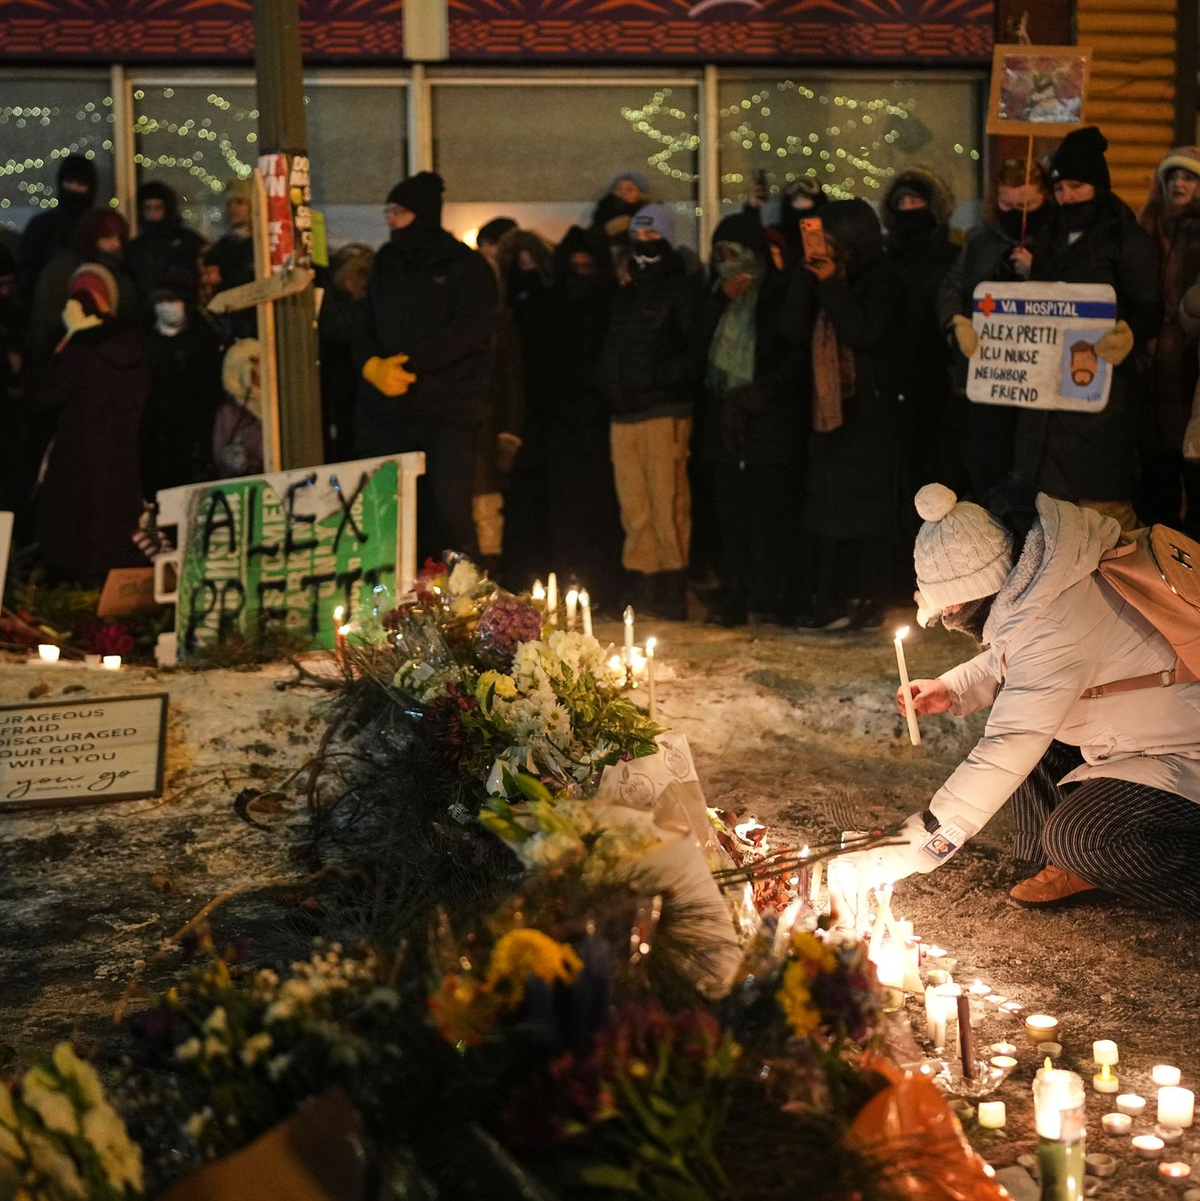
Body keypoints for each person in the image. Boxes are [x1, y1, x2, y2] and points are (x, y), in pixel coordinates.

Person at [854, 482, 1200, 915]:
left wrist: (917, 846)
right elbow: (1025, 658)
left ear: (978, 590)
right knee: (1035, 747)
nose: (948, 619)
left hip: (1186, 751)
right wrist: (954, 685)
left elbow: (1010, 739)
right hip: (1147, 723)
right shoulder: (1047, 576)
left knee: (1080, 835)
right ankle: (1069, 862)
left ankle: (1088, 858)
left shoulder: (1054, 625)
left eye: (949, 609)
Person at [954, 127, 1160, 531]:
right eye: (1060, 187)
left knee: (1099, 511)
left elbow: (1151, 311)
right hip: (1041, 403)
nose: (1067, 196)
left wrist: (1129, 335)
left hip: (1099, 398)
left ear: (1098, 185)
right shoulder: (1048, 237)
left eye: (1077, 186)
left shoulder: (1128, 242)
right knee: (1044, 511)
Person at [353, 171, 497, 559]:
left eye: (398, 211)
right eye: (388, 211)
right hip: (390, 409)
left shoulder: (464, 266)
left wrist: (413, 363)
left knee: (451, 511)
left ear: (422, 214)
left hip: (447, 409)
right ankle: (399, 599)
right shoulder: (386, 263)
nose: (390, 220)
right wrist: (370, 365)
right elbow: (364, 320)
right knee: (392, 512)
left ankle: (462, 600)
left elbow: (471, 329)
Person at [783, 198, 905, 631]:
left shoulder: (882, 277)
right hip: (825, 409)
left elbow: (863, 332)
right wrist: (806, 278)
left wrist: (832, 284)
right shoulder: (821, 273)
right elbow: (791, 329)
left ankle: (868, 597)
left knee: (867, 511)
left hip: (867, 408)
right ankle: (829, 597)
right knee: (828, 508)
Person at [697, 211, 804, 626]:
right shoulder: (713, 299)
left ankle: (774, 596)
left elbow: (794, 353)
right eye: (721, 255)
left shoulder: (779, 293)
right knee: (732, 517)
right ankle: (736, 595)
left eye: (736, 254)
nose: (729, 264)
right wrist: (718, 300)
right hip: (725, 426)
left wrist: (763, 391)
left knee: (774, 516)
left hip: (769, 422)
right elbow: (696, 349)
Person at [594, 204, 699, 619]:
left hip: (661, 410)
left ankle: (671, 587)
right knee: (634, 506)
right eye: (637, 236)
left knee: (667, 503)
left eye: (652, 236)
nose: (643, 244)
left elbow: (695, 351)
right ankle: (642, 582)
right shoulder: (625, 290)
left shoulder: (681, 288)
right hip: (623, 413)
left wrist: (658, 378)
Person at [938, 158, 1053, 499]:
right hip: (987, 375)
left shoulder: (1056, 240)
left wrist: (1039, 270)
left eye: (1028, 204)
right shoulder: (981, 241)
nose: (1018, 212)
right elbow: (951, 288)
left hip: (1038, 378)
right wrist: (956, 321)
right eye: (1008, 204)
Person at [33, 264, 150, 586]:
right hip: (123, 456)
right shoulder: (133, 346)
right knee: (116, 530)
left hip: (80, 457)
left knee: (79, 534)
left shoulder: (79, 352)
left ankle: (85, 601)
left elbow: (46, 396)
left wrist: (70, 336)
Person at [883, 167, 962, 497]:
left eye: (916, 200)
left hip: (942, 377)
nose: (908, 208)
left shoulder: (953, 255)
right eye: (901, 202)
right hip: (895, 379)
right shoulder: (885, 257)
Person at [1136, 147, 1200, 538]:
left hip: (1190, 369)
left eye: (1190, 177)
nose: (1179, 183)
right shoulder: (1146, 225)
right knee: (1155, 477)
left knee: (1194, 475)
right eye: (1173, 176)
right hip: (1148, 368)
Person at [142, 266, 223, 496]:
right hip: (156, 444)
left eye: (173, 299)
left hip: (191, 442)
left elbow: (208, 394)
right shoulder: (147, 343)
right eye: (162, 299)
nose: (166, 305)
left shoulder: (203, 340)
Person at [28, 209, 137, 371]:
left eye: (119, 238)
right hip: (68, 364)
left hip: (110, 368)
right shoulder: (60, 273)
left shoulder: (122, 278)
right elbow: (44, 324)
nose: (116, 245)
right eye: (108, 237)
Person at [15, 154, 98, 313]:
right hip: (49, 312)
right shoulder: (41, 227)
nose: (74, 189)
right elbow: (26, 277)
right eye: (69, 182)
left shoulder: (98, 226)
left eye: (81, 183)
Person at [318, 242, 374, 461]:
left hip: (347, 379)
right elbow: (337, 331)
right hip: (341, 378)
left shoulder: (334, 296)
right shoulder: (337, 303)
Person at [125, 181, 206, 324]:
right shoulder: (136, 248)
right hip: (146, 318)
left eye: (158, 207)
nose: (153, 213)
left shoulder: (187, 241)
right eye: (147, 208)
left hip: (184, 316)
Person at [210, 177, 256, 339]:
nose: (233, 208)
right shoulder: (220, 247)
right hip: (232, 322)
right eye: (230, 204)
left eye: (239, 202)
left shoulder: (262, 244)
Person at [212, 338, 263, 479]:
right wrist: (233, 459)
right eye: (253, 361)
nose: (258, 368)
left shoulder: (280, 402)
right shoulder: (229, 413)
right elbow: (220, 456)